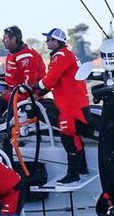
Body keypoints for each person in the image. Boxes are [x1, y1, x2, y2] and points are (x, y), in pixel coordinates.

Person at [0, 25, 46, 148]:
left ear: (13, 39)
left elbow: (29, 85)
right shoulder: (13, 53)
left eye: (5, 38)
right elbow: (12, 76)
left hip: (24, 98)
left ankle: (0, 143)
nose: (2, 40)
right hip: (13, 94)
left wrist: (8, 93)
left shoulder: (26, 57)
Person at [38, 28, 90, 184]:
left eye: (48, 40)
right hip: (77, 104)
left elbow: (49, 80)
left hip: (71, 107)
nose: (46, 42)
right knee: (74, 138)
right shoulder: (68, 55)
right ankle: (82, 168)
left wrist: (34, 87)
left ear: (55, 41)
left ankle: (73, 174)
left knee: (68, 138)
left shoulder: (60, 56)